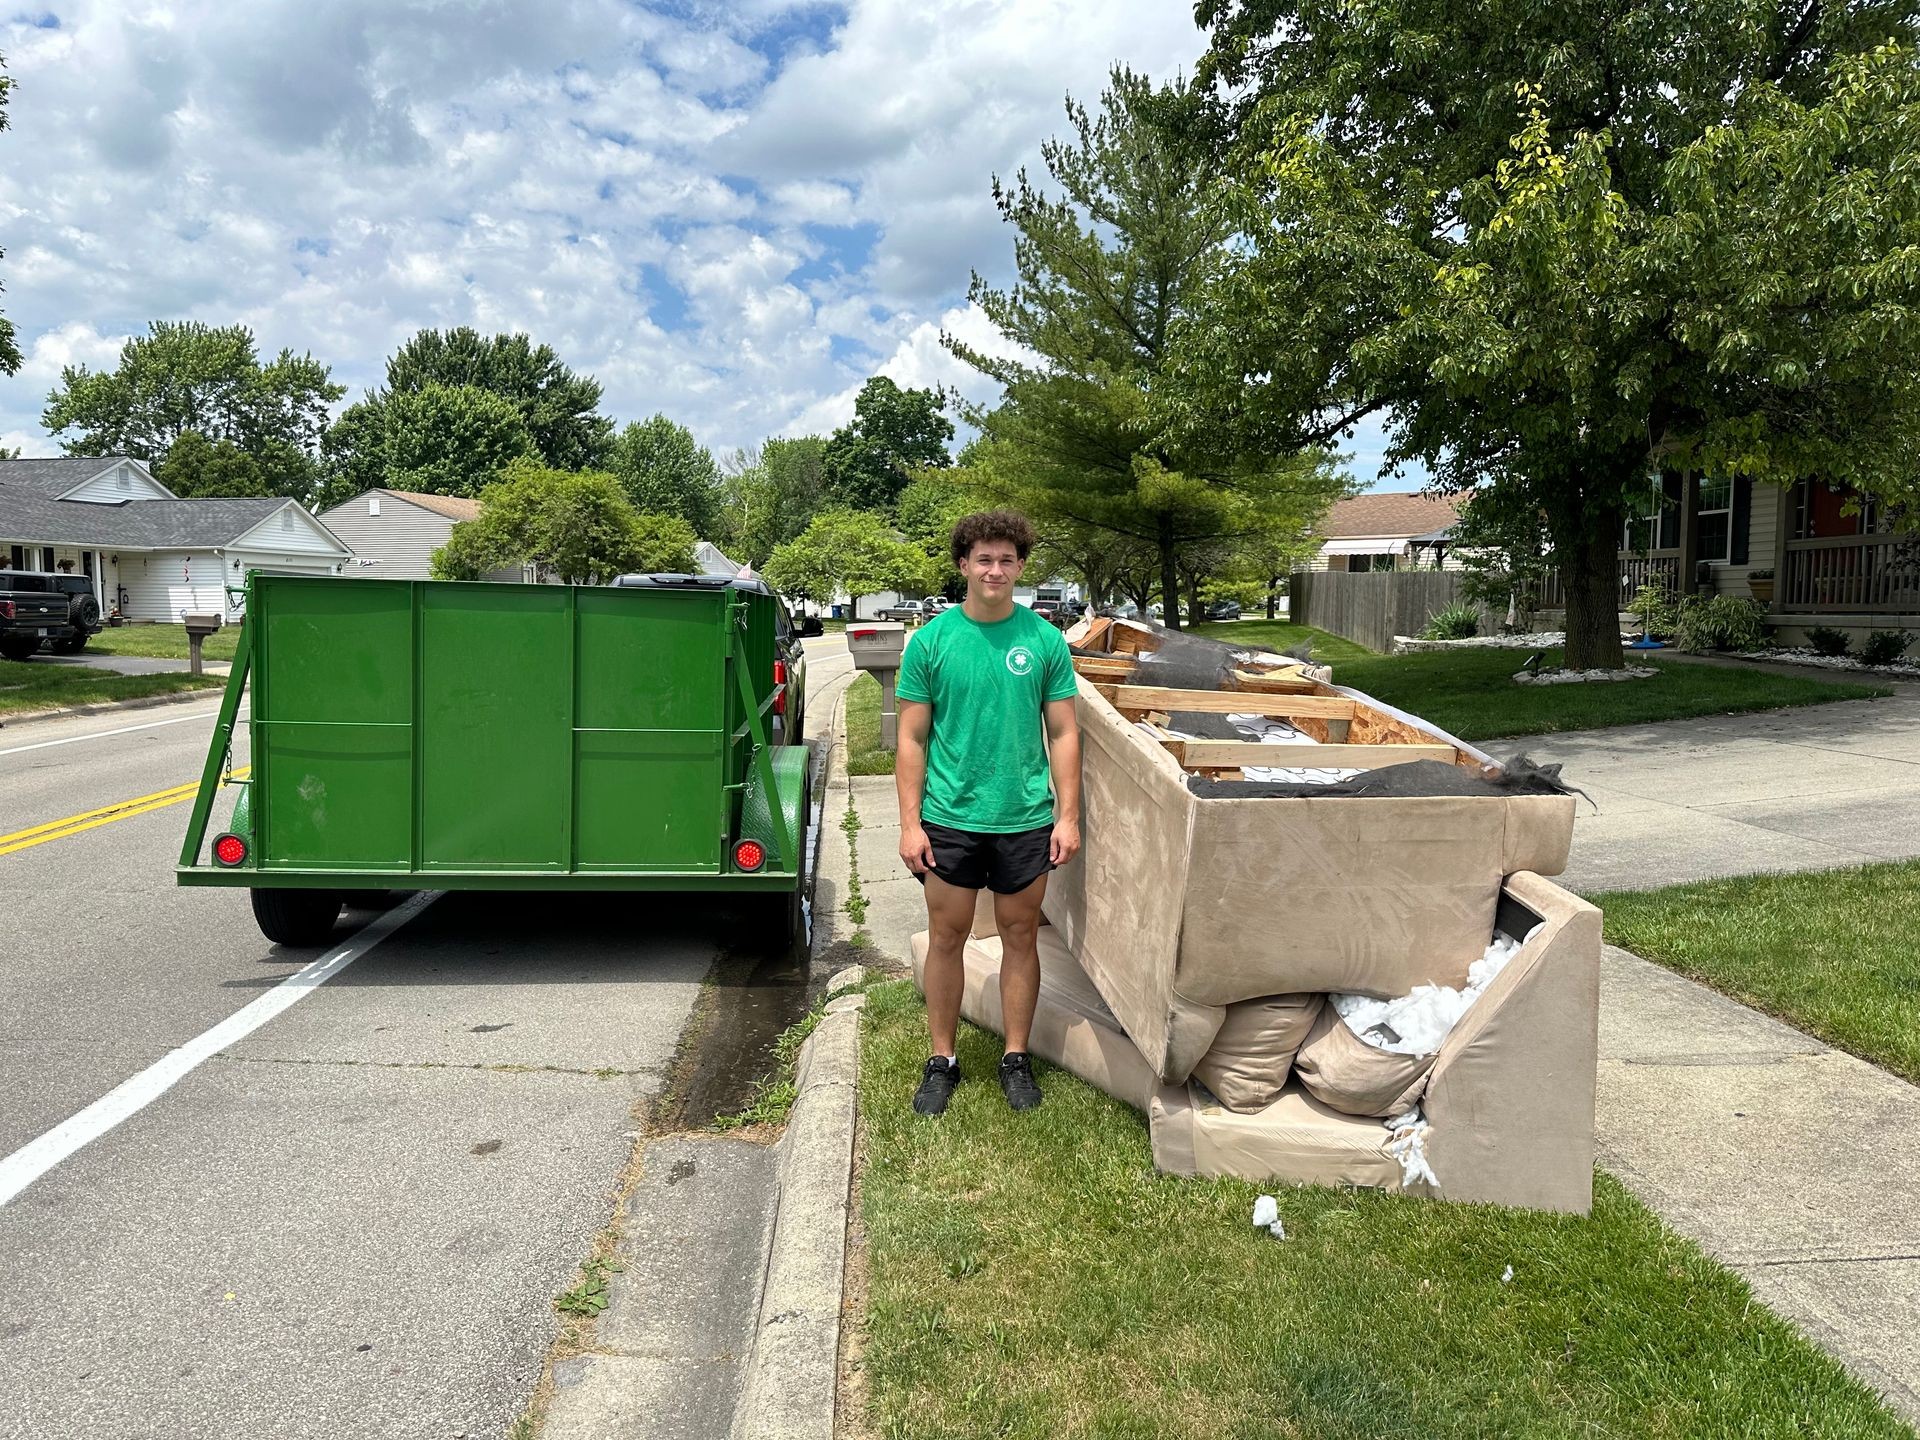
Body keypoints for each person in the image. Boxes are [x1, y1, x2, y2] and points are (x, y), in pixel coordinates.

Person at [894, 510, 1081, 1116]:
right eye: (984, 559)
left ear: (1020, 566)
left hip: (1025, 817)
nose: (995, 569)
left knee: (1020, 936)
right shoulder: (931, 643)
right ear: (963, 565)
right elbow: (911, 740)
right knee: (947, 936)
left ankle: (1016, 1058)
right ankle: (941, 1060)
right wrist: (909, 823)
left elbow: (1064, 732)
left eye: (1006, 559)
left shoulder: (1045, 641)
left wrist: (1069, 816)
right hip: (950, 817)